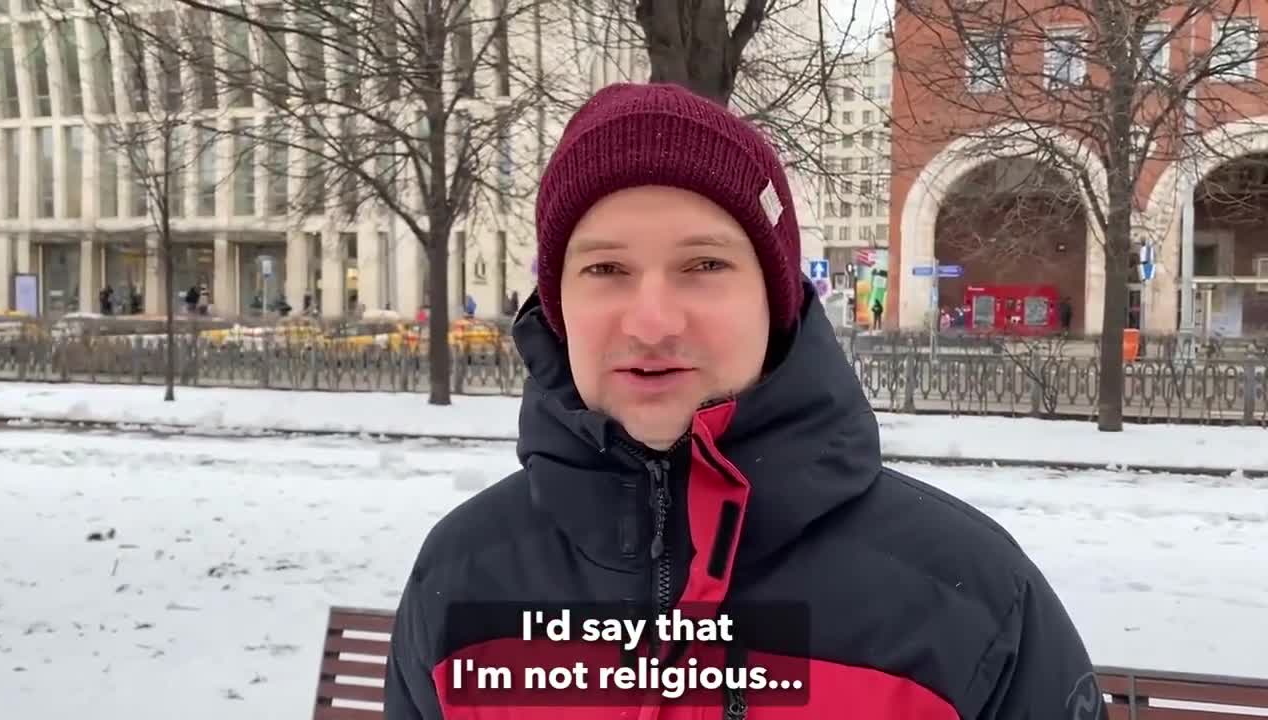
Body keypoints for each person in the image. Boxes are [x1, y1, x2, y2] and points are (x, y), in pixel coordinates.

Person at [386, 83, 1104, 720]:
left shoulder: (968, 602)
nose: (652, 322)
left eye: (705, 264)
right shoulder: (459, 579)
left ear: (775, 299)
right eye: (605, 268)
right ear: (557, 307)